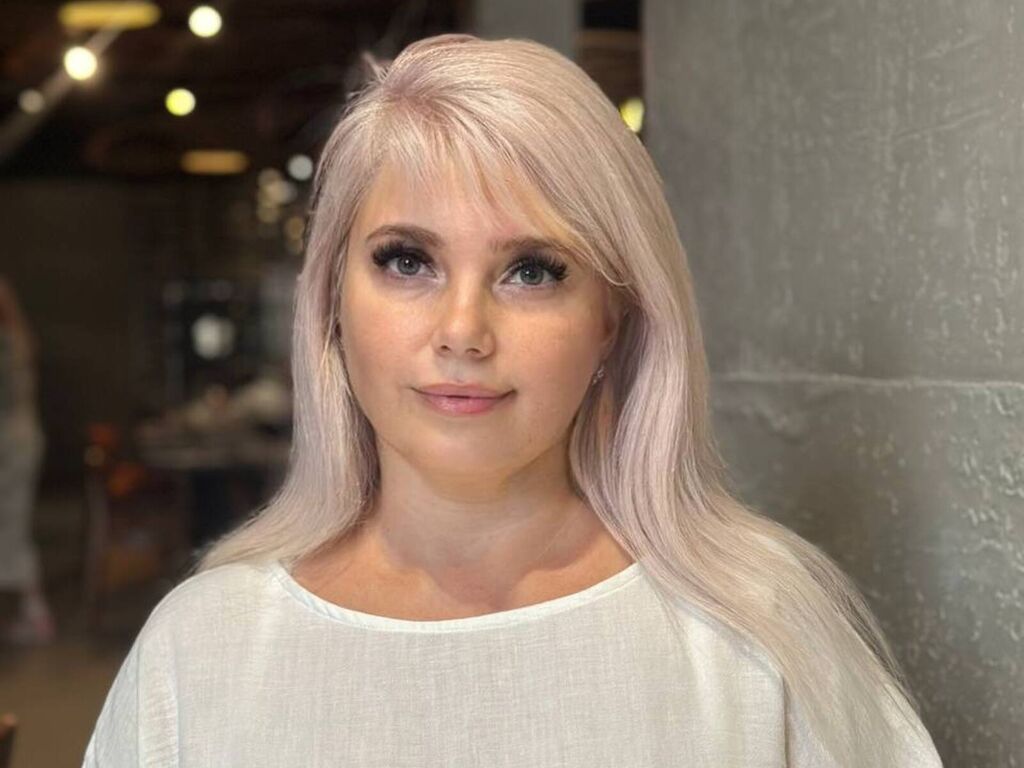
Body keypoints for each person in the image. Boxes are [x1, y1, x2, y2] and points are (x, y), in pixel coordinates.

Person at [83, 34, 942, 767]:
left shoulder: (760, 632)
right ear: (332, 304)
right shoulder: (205, 650)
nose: (462, 331)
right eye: (407, 261)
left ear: (612, 318)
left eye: (532, 271)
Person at [0, 275, 56, 646]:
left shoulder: (8, 346)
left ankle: (35, 614)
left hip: (11, 446)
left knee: (12, 529)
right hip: (19, 442)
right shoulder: (18, 340)